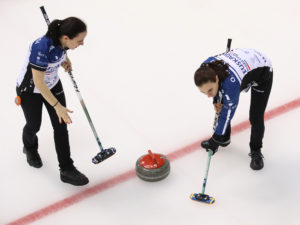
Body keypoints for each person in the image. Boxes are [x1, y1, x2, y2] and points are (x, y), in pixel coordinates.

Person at [16, 17, 89, 185]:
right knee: (34, 125)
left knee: (61, 125)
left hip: (53, 83)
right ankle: (29, 147)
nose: (82, 43)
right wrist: (57, 106)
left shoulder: (62, 41)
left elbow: (61, 51)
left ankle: (67, 169)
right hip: (31, 89)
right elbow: (39, 83)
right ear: (66, 38)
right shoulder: (41, 49)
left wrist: (64, 60)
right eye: (80, 40)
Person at [194, 48, 273, 170]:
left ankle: (256, 151)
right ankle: (225, 137)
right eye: (204, 92)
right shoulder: (204, 68)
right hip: (241, 64)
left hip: (262, 72)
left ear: (216, 78)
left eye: (210, 90)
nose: (208, 95)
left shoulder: (230, 85)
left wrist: (216, 138)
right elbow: (217, 93)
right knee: (221, 102)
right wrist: (215, 100)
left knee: (255, 116)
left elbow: (227, 113)